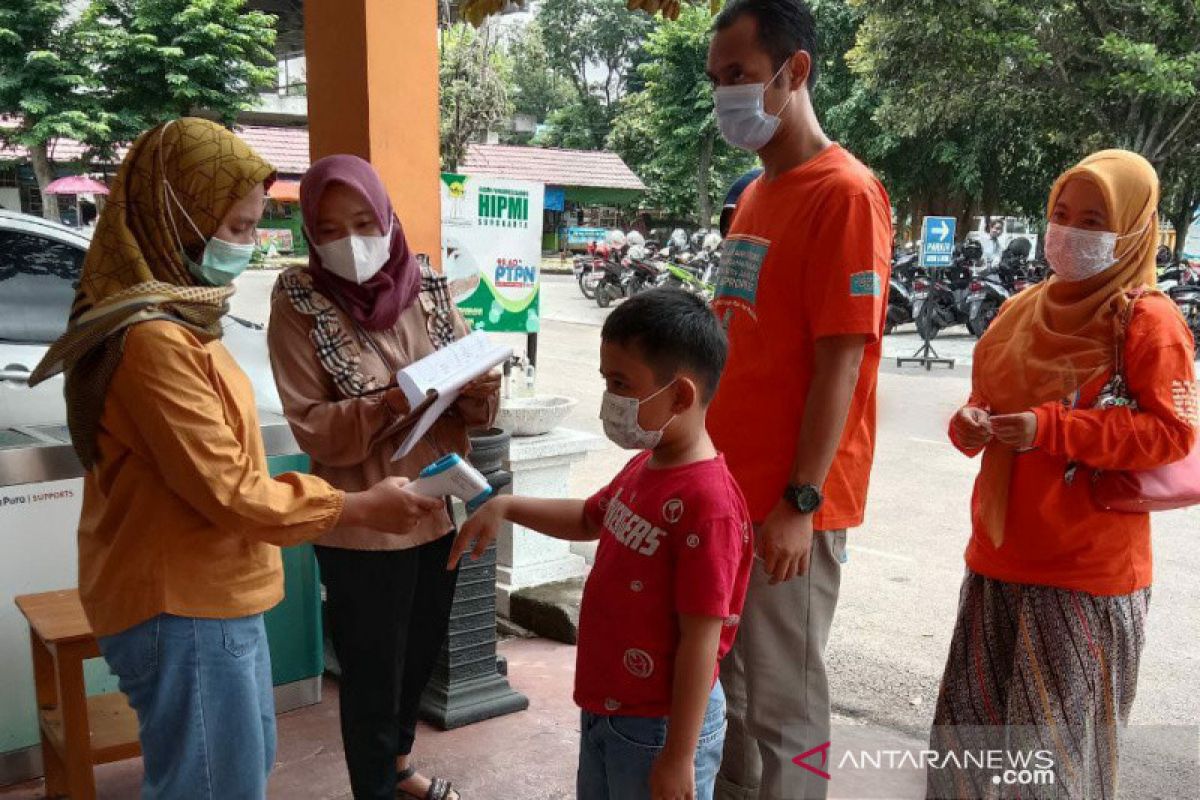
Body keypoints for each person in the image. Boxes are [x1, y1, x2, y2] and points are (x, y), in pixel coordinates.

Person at [27, 119, 443, 799]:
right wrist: (358, 505)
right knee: (214, 785)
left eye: (254, 227)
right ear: (176, 215)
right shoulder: (154, 340)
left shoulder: (182, 318)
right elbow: (231, 490)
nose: (247, 246)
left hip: (210, 593)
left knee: (231, 774)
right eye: (237, 227)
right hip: (182, 603)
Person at [928, 151, 1197, 797]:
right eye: (1060, 213)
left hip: (1084, 580)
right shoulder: (1021, 308)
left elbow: (1172, 435)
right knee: (966, 762)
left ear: (1133, 228)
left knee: (1046, 774)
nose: (1070, 230)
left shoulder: (1147, 319)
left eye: (1094, 218)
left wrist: (1053, 429)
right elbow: (987, 404)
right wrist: (971, 424)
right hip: (998, 560)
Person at [450, 289, 755, 800]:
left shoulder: (710, 504)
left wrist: (678, 758)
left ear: (679, 396)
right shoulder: (648, 463)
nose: (608, 400)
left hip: (661, 727)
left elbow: (702, 640)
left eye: (620, 384)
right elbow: (593, 516)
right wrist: (506, 506)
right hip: (611, 710)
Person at [704, 2, 894, 798]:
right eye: (716, 81)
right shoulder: (757, 194)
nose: (725, 97)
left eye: (740, 77)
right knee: (735, 698)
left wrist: (800, 501)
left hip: (789, 506)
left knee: (788, 704)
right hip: (730, 491)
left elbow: (839, 367)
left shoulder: (843, 195)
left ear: (796, 72)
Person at [267, 154, 498, 800]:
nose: (351, 242)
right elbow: (312, 426)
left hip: (437, 504)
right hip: (365, 520)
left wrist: (480, 386)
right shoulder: (299, 300)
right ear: (311, 234)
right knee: (372, 672)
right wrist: (394, 401)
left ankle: (397, 771)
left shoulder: (426, 284)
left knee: (420, 654)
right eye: (331, 228)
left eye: (364, 221)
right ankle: (373, 788)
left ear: (387, 215)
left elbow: (467, 383)